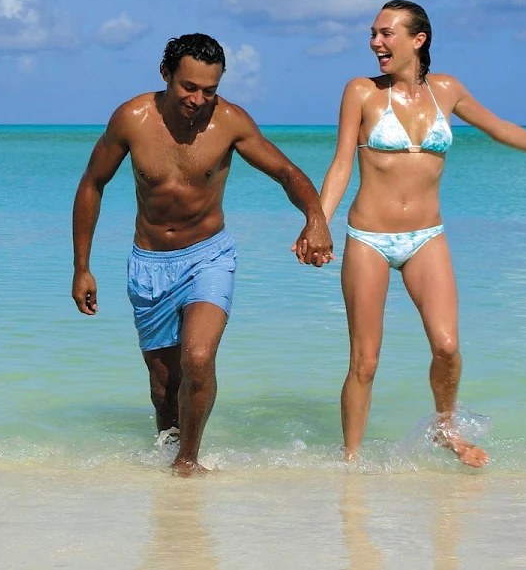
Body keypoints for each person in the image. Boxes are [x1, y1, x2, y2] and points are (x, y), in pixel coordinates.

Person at [317, 0, 526, 467]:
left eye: (386, 33)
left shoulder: (446, 91)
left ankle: (445, 429)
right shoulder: (361, 91)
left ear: (418, 39)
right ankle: (350, 463)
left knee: (447, 348)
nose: (375, 43)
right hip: (369, 237)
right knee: (365, 361)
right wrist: (319, 223)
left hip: (427, 235)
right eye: (373, 33)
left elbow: (499, 128)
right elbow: (342, 163)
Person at [73, 33, 334, 475]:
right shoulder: (132, 118)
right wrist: (82, 267)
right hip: (150, 263)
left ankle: (188, 461)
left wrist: (316, 217)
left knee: (197, 358)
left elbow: (287, 172)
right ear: (166, 76)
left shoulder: (230, 122)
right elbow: (91, 185)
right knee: (163, 388)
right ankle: (168, 457)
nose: (199, 99)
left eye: (209, 90)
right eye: (188, 87)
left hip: (207, 257)